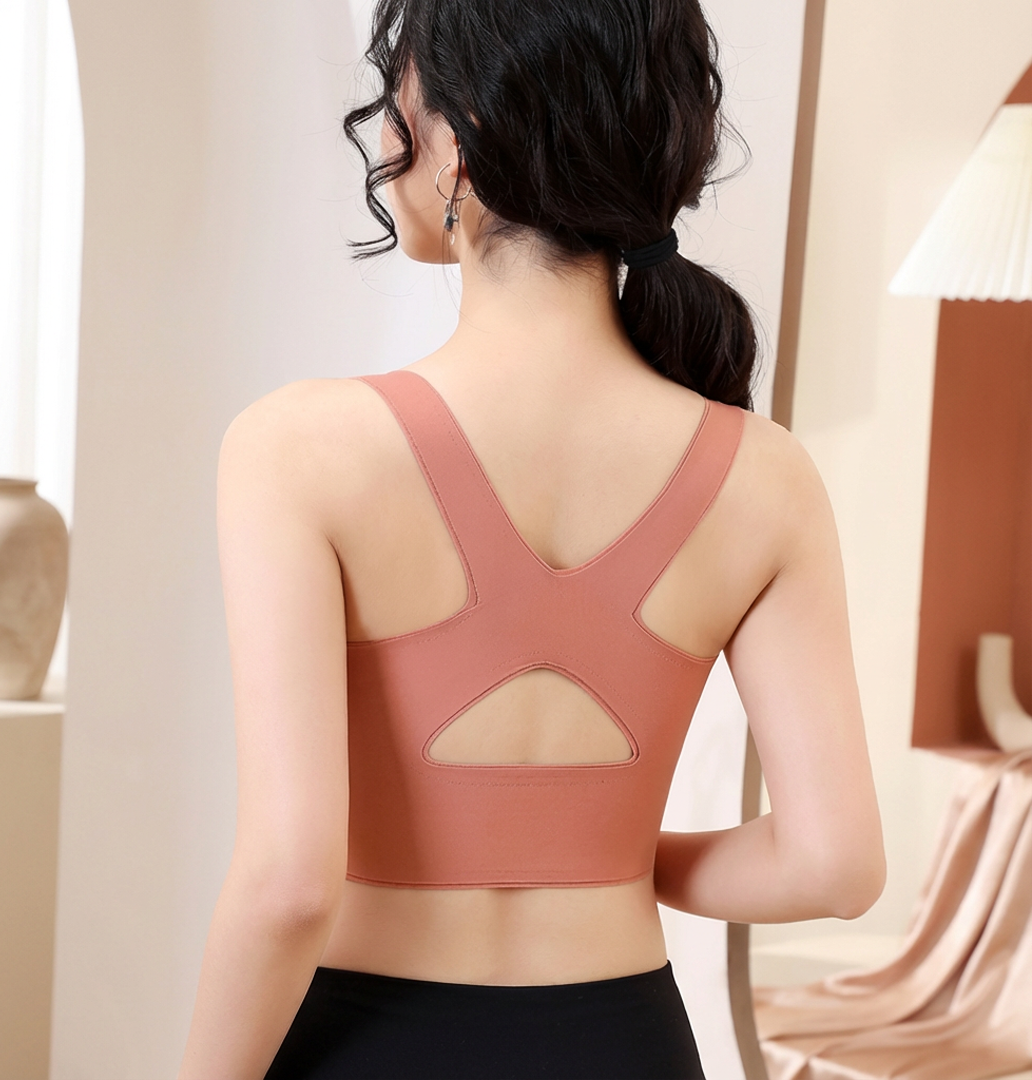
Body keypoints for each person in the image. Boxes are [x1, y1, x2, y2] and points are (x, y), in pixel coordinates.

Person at [177, 0, 886, 1077]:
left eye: (397, 98)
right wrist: (605, 851)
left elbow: (289, 885)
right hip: (627, 1044)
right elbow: (834, 866)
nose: (383, 132)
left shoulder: (300, 448)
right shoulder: (767, 478)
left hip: (371, 1044)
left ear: (458, 148)